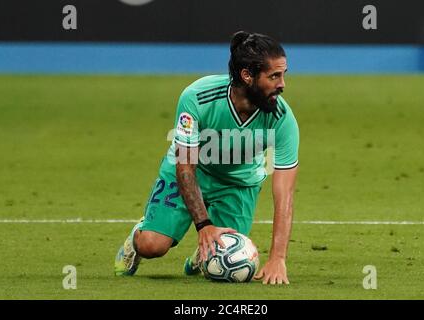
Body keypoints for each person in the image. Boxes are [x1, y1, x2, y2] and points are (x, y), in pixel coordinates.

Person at [114, 31, 299, 285]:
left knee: (228, 260)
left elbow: (284, 193)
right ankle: (137, 238)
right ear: (247, 76)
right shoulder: (197, 98)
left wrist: (278, 257)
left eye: (283, 74)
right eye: (274, 76)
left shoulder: (282, 119)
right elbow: (186, 167)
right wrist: (204, 226)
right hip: (194, 170)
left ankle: (199, 258)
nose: (282, 84)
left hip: (239, 184)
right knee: (152, 245)